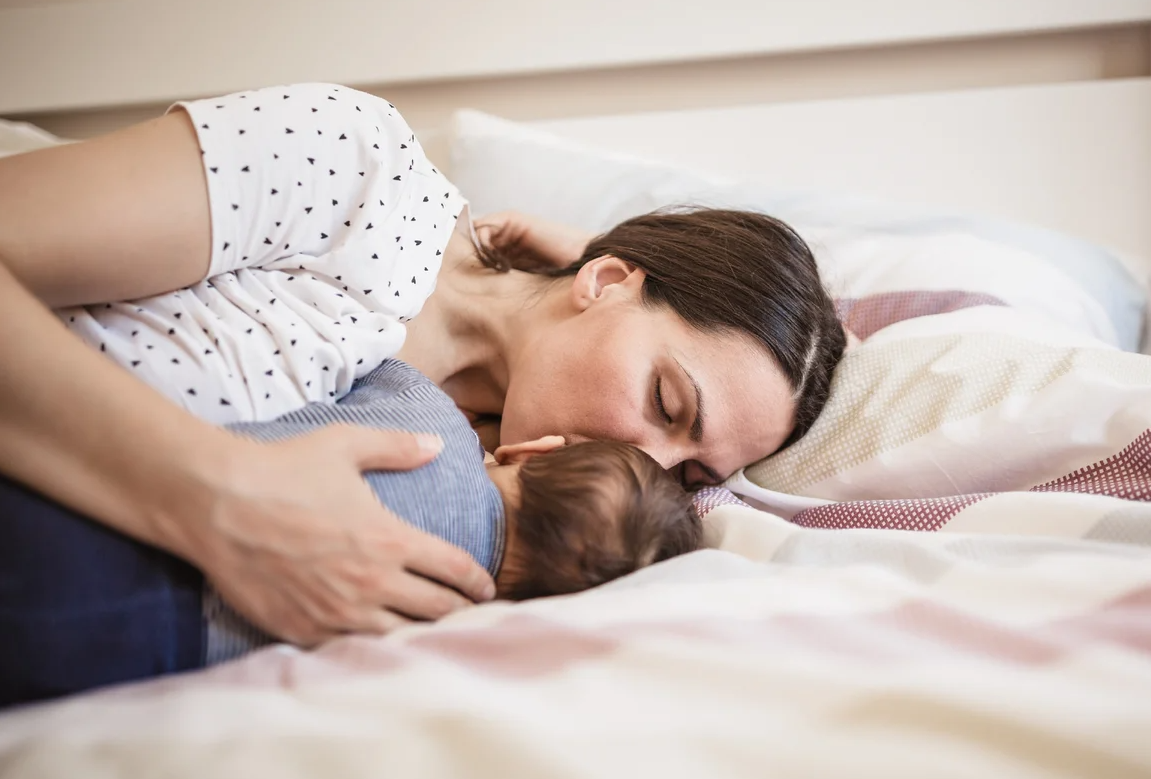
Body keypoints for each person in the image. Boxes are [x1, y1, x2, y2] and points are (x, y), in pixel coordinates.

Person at [0, 83, 845, 648]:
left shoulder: (501, 496)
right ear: (607, 278)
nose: (642, 460)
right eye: (665, 401)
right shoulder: (355, 169)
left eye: (690, 469)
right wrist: (213, 496)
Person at [0, 358, 701, 707]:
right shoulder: (437, 623)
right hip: (138, 647)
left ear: (533, 451)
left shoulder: (432, 422)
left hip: (108, 504)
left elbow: (369, 356)